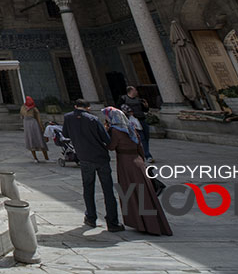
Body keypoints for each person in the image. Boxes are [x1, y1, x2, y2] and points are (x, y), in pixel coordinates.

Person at [103, 106, 172, 235]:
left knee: (131, 192)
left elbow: (111, 147)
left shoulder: (115, 131)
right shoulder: (131, 128)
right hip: (138, 162)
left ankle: (141, 223)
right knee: (145, 193)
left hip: (126, 163)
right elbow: (140, 146)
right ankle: (154, 223)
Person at [62, 99, 124, 232]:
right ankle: (112, 222)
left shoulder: (68, 118)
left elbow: (65, 134)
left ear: (75, 106)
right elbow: (106, 140)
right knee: (108, 190)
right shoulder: (93, 119)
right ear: (88, 108)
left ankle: (90, 217)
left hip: (84, 157)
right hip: (100, 157)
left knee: (88, 188)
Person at [119, 86, 153, 162]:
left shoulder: (138, 100)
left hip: (142, 119)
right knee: (142, 138)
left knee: (146, 137)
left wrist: (146, 106)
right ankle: (147, 155)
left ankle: (143, 153)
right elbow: (119, 109)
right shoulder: (123, 99)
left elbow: (144, 110)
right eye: (135, 90)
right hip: (133, 121)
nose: (137, 92)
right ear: (131, 91)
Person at [20, 96, 48, 162]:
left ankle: (35, 158)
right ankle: (46, 157)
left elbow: (21, 117)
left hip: (27, 125)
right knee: (40, 140)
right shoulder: (34, 109)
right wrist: (42, 128)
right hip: (34, 125)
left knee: (30, 140)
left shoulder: (22, 108)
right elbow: (38, 119)